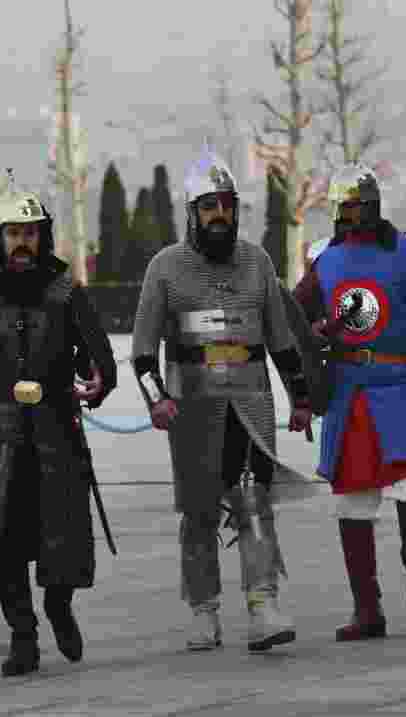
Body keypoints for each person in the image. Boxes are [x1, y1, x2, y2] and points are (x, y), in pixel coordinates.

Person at [130, 149, 315, 653]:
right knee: (198, 512)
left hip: (250, 404)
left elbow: (280, 340)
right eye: (209, 206)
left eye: (226, 205)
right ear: (192, 213)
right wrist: (156, 400)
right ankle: (204, 610)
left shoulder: (257, 262)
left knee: (255, 500)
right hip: (192, 409)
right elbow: (143, 352)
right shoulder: (164, 268)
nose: (219, 215)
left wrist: (301, 397)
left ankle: (263, 605)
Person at [292, 163, 406, 640]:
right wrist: (311, 338)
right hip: (347, 390)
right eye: (344, 206)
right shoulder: (325, 262)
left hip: (399, 385)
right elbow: (291, 319)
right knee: (353, 501)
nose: (351, 214)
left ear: (374, 206)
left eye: (358, 205)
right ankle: (367, 610)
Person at [0, 187, 117, 676]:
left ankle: (59, 607)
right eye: (14, 233)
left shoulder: (67, 293)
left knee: (61, 535)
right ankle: (23, 635)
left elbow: (100, 357)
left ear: (43, 237)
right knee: (3, 543)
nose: (23, 242)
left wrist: (100, 379)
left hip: (56, 429)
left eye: (31, 233)